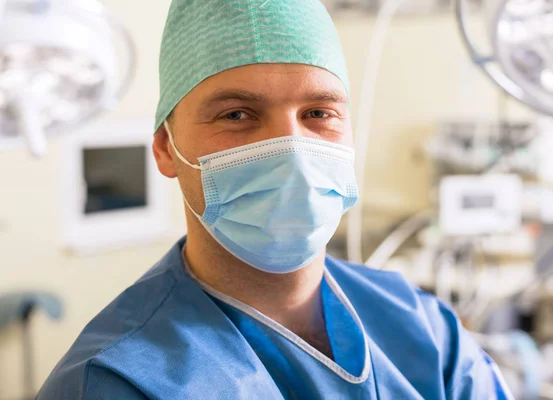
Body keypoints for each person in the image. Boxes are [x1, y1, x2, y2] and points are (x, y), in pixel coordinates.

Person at [38, 0, 513, 399]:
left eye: (318, 112)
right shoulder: (120, 380)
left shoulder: (424, 329)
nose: (291, 149)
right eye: (238, 113)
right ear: (166, 148)